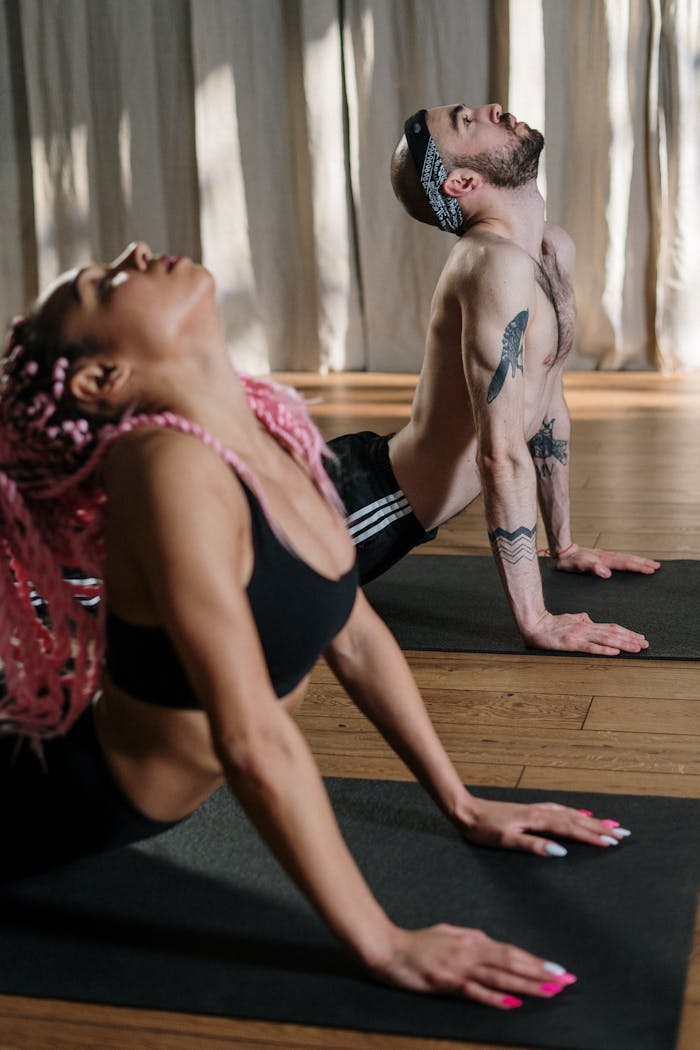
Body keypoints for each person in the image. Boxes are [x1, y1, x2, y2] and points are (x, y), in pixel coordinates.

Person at [0, 242, 630, 1008]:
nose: (132, 253)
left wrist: (462, 803)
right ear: (105, 378)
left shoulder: (264, 429)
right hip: (51, 795)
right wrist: (383, 941)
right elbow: (250, 739)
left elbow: (355, 633)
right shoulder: (165, 467)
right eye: (105, 283)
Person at [328, 102, 660, 657]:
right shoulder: (490, 263)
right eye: (467, 121)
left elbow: (547, 400)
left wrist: (567, 544)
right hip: (361, 503)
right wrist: (536, 620)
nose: (493, 110)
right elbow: (498, 453)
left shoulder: (551, 249)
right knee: (175, 596)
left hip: (365, 483)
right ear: (462, 181)